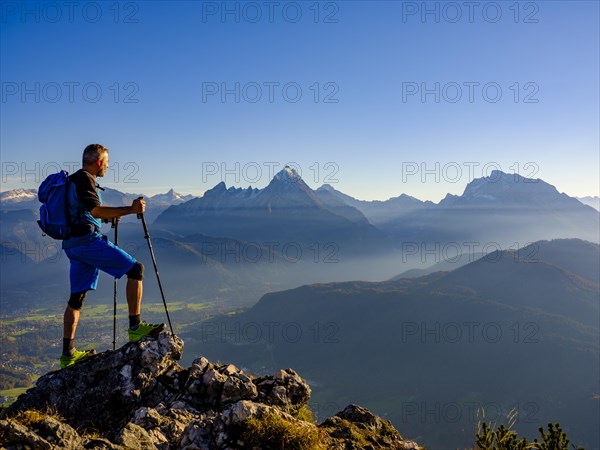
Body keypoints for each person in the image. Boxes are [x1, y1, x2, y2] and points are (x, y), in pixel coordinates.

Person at [60, 144, 165, 369]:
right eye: (106, 162)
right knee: (136, 270)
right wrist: (131, 209)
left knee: (76, 298)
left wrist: (107, 219)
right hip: (87, 243)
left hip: (72, 245)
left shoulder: (72, 181)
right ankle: (135, 328)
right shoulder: (85, 179)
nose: (108, 166)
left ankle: (67, 354)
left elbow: (86, 213)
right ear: (98, 162)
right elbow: (96, 211)